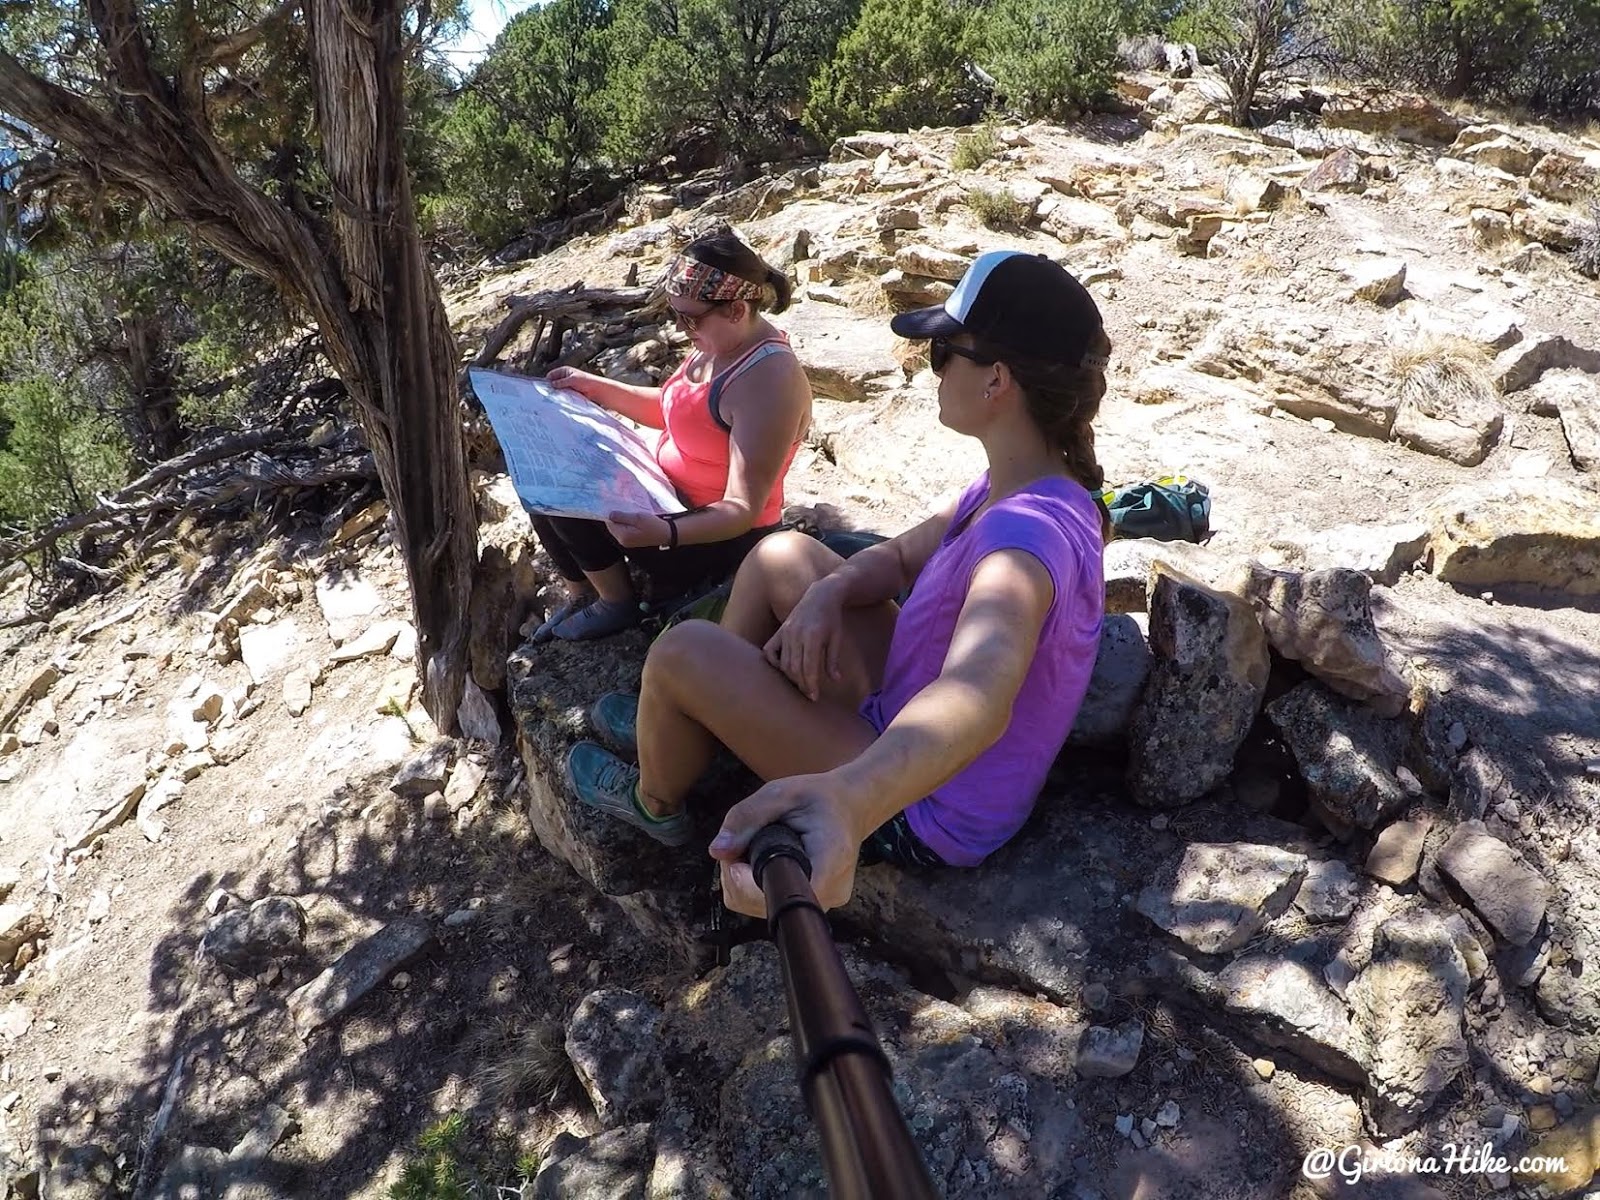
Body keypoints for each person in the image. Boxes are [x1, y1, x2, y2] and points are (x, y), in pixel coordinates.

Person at [563, 250, 1111, 919]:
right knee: (783, 556)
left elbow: (979, 696)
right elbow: (902, 560)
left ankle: (657, 799)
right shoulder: (1028, 484)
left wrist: (852, 798)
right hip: (910, 725)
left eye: (941, 353)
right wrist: (825, 595)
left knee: (682, 653)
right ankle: (704, 730)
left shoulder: (1020, 546)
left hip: (924, 801)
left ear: (997, 381)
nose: (929, 370)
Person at [526, 232, 812, 640]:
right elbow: (676, 410)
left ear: (736, 309)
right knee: (542, 486)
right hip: (671, 501)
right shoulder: (718, 342)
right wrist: (596, 388)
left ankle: (616, 603)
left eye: (689, 318)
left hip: (716, 540)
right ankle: (584, 593)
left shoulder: (767, 381)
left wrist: (665, 532)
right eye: (675, 314)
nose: (680, 329)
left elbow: (743, 508)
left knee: (566, 497)